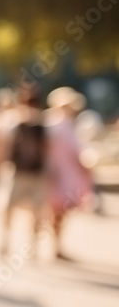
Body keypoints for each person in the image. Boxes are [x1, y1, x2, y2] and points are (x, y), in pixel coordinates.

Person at [45, 87, 96, 260]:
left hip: (53, 172)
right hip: (63, 173)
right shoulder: (65, 124)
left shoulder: (49, 121)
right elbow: (76, 151)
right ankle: (56, 246)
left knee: (52, 211)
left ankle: (53, 245)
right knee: (59, 211)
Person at [0, 86, 49, 256]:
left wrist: (3, 165)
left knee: (9, 208)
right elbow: (46, 148)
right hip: (35, 172)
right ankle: (32, 247)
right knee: (36, 211)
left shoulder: (16, 121)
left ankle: (6, 242)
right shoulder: (42, 122)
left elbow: (7, 146)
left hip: (19, 172)